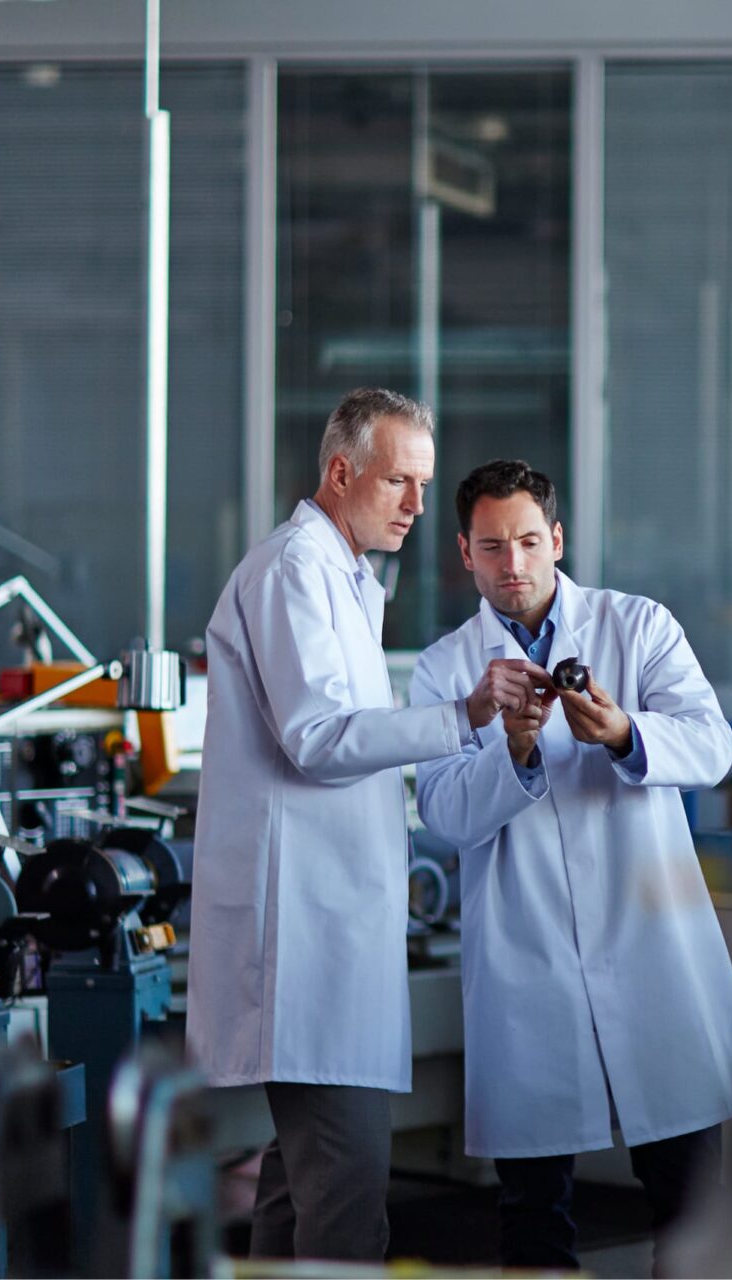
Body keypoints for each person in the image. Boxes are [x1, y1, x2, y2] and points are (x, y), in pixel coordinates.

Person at [186, 390, 537, 1262]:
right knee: (343, 1206)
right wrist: (464, 715)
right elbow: (319, 738)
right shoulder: (292, 572)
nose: (419, 505)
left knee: (294, 1195)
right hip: (307, 944)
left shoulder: (343, 577)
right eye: (400, 483)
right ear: (341, 473)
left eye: (422, 483)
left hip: (334, 933)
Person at [411, 459, 732, 1272]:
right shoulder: (446, 670)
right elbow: (446, 811)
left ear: (557, 538)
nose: (514, 565)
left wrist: (625, 734)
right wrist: (516, 751)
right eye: (492, 547)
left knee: (693, 1209)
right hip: (527, 968)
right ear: (464, 552)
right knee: (534, 1223)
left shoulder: (637, 627)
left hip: (651, 952)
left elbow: (712, 743)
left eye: (529, 541)